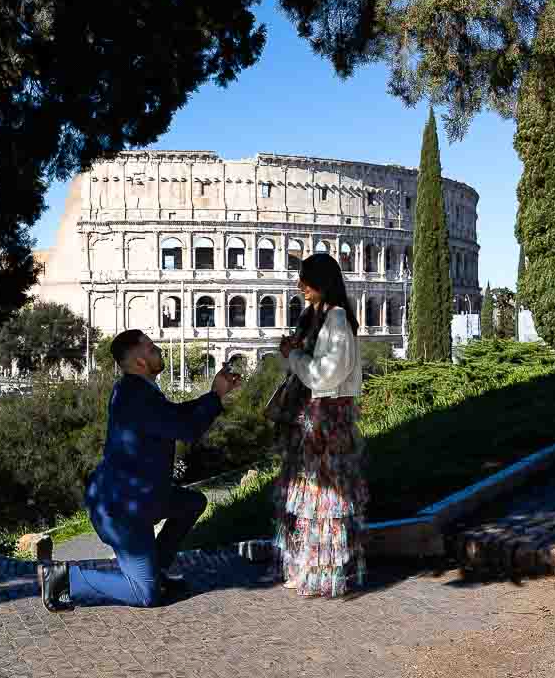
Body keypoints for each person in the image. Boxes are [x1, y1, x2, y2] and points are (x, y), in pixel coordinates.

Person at [38, 329, 242, 610]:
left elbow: (176, 415)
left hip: (140, 497)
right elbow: (186, 428)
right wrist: (216, 396)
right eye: (150, 347)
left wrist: (213, 396)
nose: (157, 349)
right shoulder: (136, 395)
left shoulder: (138, 390)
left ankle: (155, 571)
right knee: (143, 594)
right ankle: (65, 578)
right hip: (123, 508)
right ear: (139, 362)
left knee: (192, 502)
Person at [275, 252, 368, 597]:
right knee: (311, 499)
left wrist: (294, 356)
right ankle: (307, 566)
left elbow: (325, 374)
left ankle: (321, 572)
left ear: (321, 283)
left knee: (323, 498)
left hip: (328, 418)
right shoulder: (316, 316)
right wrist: (296, 350)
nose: (300, 286)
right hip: (315, 418)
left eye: (305, 280)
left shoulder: (338, 320)